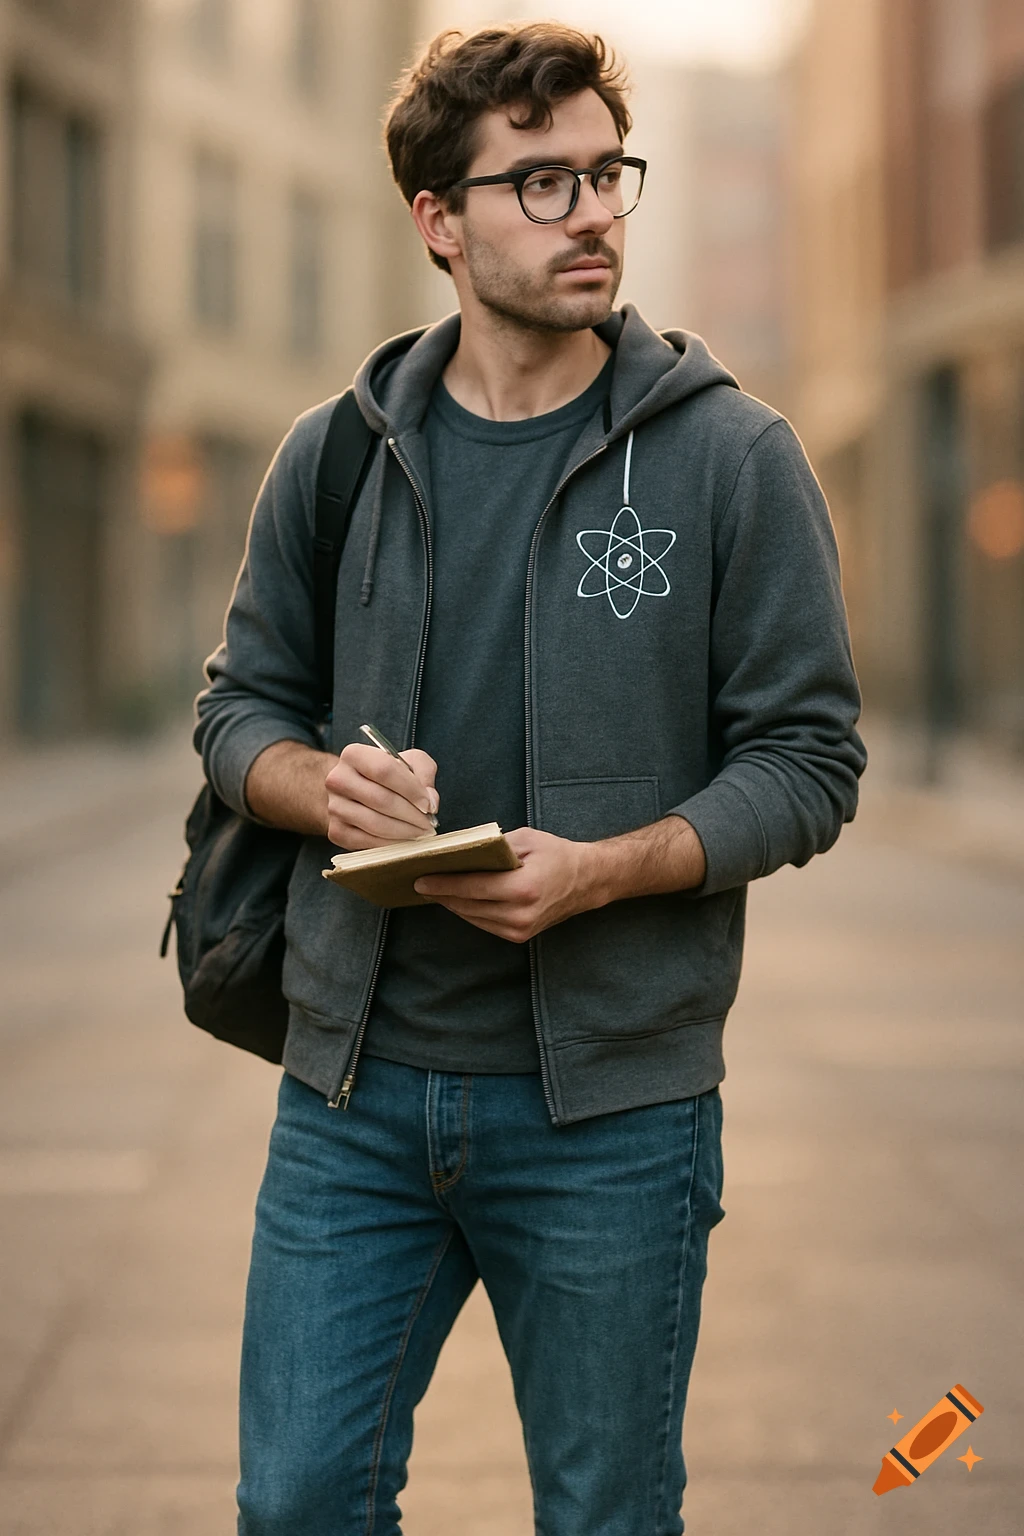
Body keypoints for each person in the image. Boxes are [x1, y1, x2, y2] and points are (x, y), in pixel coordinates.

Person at [195, 22, 866, 1536]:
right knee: (297, 1503)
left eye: (608, 175)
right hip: (352, 1098)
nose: (595, 215)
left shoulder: (732, 460)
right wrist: (319, 791)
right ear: (439, 220)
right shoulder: (337, 455)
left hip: (612, 1117)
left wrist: (609, 867)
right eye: (541, 183)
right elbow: (240, 712)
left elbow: (813, 760)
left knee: (607, 1515)